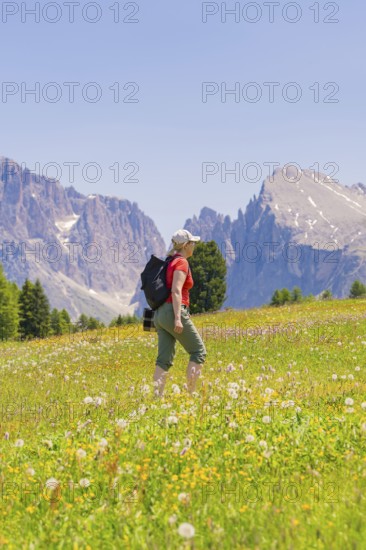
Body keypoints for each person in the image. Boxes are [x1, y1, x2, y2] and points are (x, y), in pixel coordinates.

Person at [152, 229, 207, 397]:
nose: (195, 246)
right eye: (193, 243)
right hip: (173, 311)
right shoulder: (181, 262)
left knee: (163, 359)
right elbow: (176, 290)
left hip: (160, 314)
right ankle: (191, 395)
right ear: (186, 245)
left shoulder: (168, 262)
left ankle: (156, 399)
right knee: (198, 352)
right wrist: (178, 318)